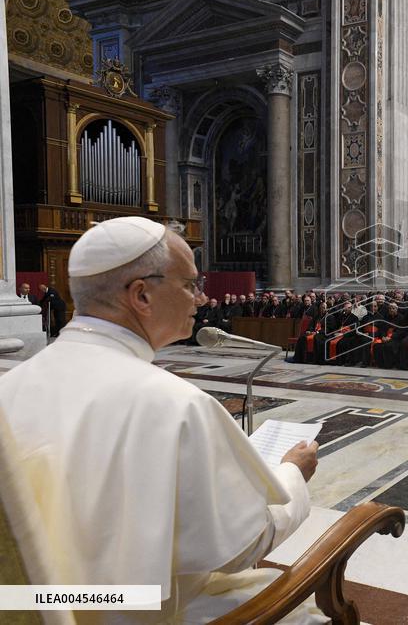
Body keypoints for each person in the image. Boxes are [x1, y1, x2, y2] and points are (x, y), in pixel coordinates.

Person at [0, 216, 322, 622]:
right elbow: (244, 546)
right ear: (142, 296)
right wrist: (293, 475)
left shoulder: (11, 386)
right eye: (190, 284)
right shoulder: (176, 406)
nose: (201, 300)